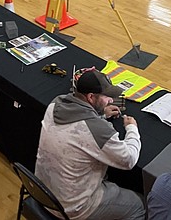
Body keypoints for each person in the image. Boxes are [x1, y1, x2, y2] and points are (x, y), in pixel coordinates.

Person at [35, 68, 144, 220]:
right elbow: (129, 159)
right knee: (139, 205)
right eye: (107, 97)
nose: (111, 101)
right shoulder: (97, 129)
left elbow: (78, 127)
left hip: (43, 192)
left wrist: (100, 115)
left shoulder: (55, 104)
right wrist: (132, 128)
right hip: (72, 207)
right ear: (91, 97)